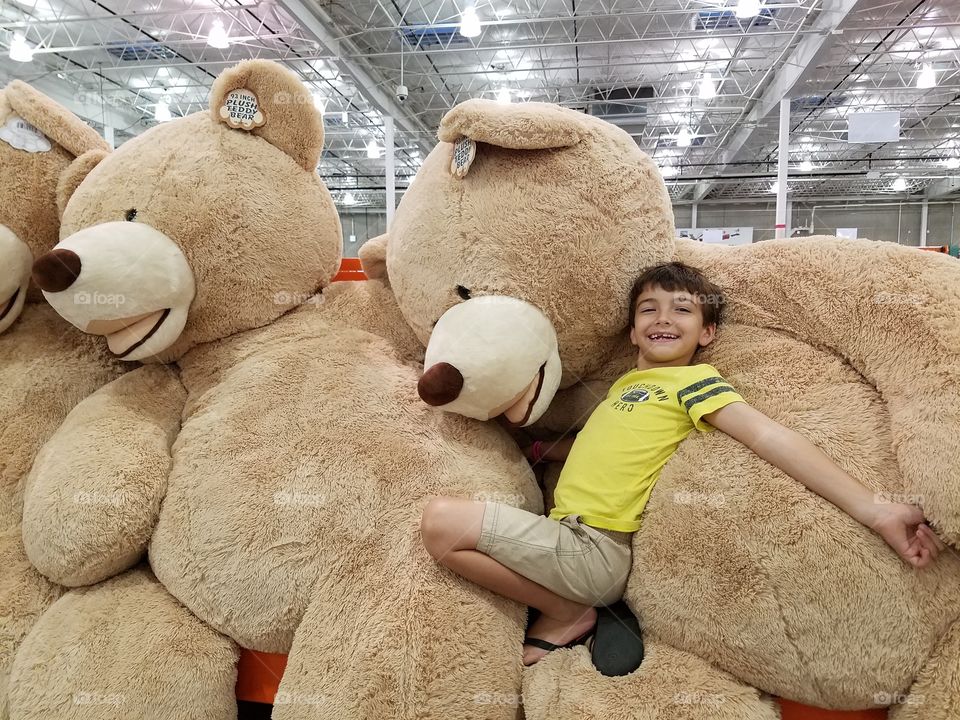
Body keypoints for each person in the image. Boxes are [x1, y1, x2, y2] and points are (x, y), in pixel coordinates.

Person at [419, 261, 944, 669]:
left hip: (595, 549)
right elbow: (601, 446)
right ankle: (565, 606)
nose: (663, 319)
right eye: (648, 309)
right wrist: (537, 450)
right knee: (446, 523)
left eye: (682, 310)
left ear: (707, 333)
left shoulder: (694, 381)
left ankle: (567, 612)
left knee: (440, 522)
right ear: (631, 332)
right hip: (563, 535)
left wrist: (875, 510)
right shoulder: (627, 386)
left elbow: (767, 435)